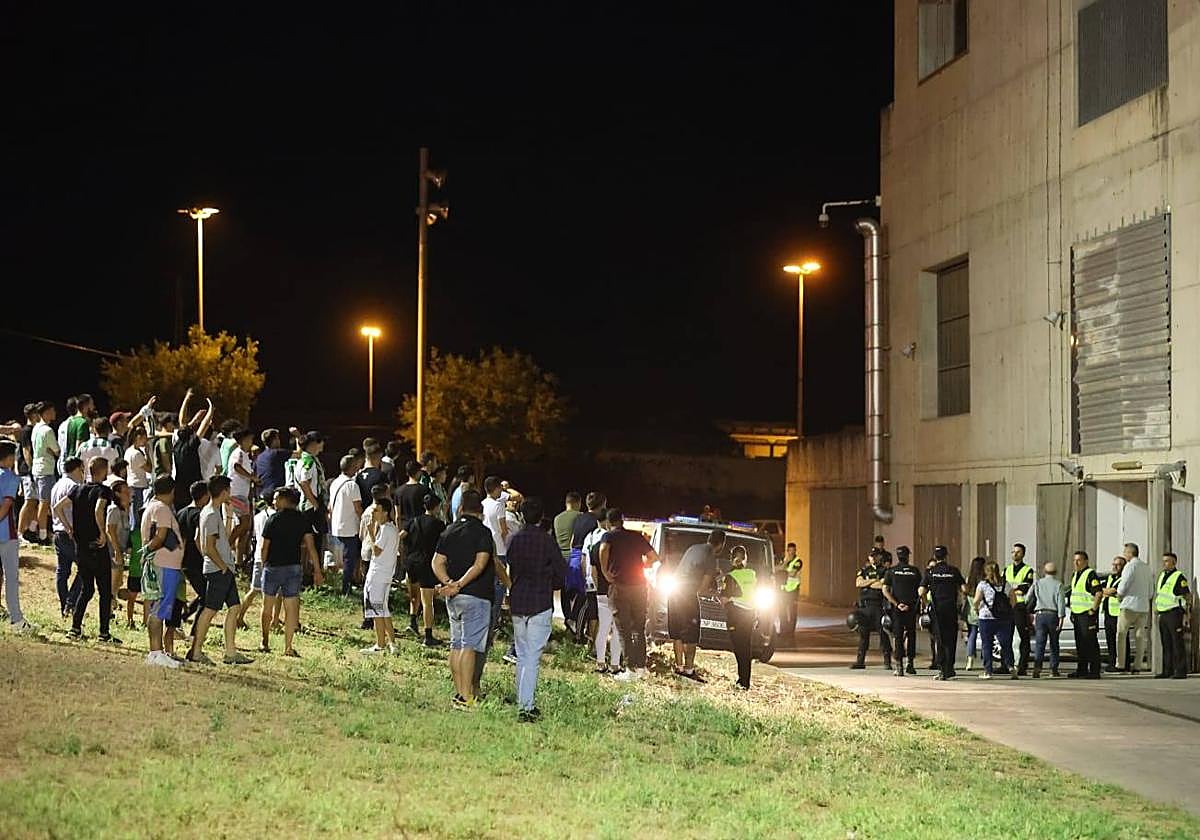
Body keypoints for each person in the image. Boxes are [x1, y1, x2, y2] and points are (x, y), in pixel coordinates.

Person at [432, 489, 508, 706]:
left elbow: (437, 562)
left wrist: (448, 582)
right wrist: (460, 584)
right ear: (481, 510)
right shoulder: (483, 533)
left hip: (453, 598)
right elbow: (481, 563)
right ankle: (467, 697)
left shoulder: (449, 530)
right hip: (477, 595)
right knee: (469, 646)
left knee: (456, 644)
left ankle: (459, 692)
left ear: (460, 508)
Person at [506, 497, 565, 721]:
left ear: (522, 515)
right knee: (532, 656)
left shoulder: (514, 539)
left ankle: (523, 699)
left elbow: (511, 566)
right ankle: (526, 707)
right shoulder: (547, 541)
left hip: (519, 600)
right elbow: (561, 572)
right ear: (541, 517)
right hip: (540, 601)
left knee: (522, 654)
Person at [188, 476, 252, 665]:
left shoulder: (214, 512)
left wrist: (229, 516)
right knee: (210, 610)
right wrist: (220, 565)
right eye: (229, 490)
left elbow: (204, 540)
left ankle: (231, 652)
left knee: (234, 607)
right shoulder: (210, 514)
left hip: (222, 568)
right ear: (223, 492)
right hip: (219, 569)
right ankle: (196, 651)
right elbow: (208, 546)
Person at [60, 457, 119, 643]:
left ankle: (75, 628)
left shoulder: (78, 489)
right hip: (97, 545)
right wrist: (102, 532)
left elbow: (58, 507)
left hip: (81, 547)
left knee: (86, 589)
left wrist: (68, 528)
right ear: (103, 470)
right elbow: (98, 510)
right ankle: (104, 633)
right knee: (104, 591)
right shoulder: (103, 491)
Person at [598, 508, 659, 682]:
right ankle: (641, 667)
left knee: (623, 628)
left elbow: (603, 550)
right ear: (622, 520)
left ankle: (630, 669)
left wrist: (605, 572)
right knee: (639, 627)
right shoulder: (636, 536)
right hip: (639, 587)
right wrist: (644, 565)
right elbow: (653, 556)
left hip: (620, 586)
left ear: (608, 522)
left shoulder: (608, 536)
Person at [260, 488, 317, 658]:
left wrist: (263, 564)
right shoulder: (302, 519)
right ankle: (288, 646)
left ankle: (264, 640)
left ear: (285, 500)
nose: (274, 502)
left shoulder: (273, 519)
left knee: (267, 606)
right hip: (293, 567)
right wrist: (317, 569)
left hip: (273, 566)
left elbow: (264, 547)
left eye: (276, 499)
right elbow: (310, 546)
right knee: (291, 608)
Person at [141, 476, 184, 668]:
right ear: (172, 491)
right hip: (164, 565)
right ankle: (156, 652)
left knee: (158, 607)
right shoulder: (162, 509)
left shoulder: (152, 507)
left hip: (163, 564)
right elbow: (161, 535)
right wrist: (147, 551)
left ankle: (157, 652)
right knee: (159, 609)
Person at [670, 529, 724, 680]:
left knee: (677, 632)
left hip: (674, 593)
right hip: (687, 596)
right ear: (721, 545)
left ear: (709, 538)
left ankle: (679, 667)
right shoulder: (710, 556)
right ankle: (689, 670)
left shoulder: (693, 548)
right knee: (691, 634)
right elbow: (702, 589)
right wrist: (717, 595)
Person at [400, 493, 447, 647]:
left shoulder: (413, 521)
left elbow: (401, 535)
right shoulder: (439, 525)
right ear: (436, 507)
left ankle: (412, 622)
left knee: (414, 596)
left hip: (412, 562)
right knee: (427, 602)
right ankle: (428, 635)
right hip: (427, 564)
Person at [919, 546, 966, 681]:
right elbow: (964, 589)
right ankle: (950, 668)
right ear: (946, 556)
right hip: (951, 609)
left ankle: (942, 669)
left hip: (937, 609)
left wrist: (926, 603)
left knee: (939, 639)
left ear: (935, 556)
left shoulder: (930, 572)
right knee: (951, 638)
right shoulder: (954, 571)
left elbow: (921, 591)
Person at [584, 509, 621, 672]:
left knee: (603, 628)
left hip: (601, 592)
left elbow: (593, 572)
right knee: (617, 629)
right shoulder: (620, 547)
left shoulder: (595, 547)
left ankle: (600, 662)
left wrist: (599, 588)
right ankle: (615, 664)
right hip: (618, 592)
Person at [362, 497, 400, 654]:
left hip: (379, 574)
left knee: (377, 609)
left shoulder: (386, 530)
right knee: (382, 609)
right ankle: (392, 643)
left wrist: (371, 532)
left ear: (385, 512)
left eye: (376, 511)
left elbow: (376, 551)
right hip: (382, 573)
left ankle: (380, 643)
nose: (373, 514)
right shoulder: (390, 528)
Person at [0, 441, 31, 631]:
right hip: (6, 534)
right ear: (10, 457)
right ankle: (16, 619)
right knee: (11, 577)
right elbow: (6, 507)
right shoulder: (11, 478)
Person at [720, 545, 759, 690]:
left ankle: (742, 681)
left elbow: (724, 599)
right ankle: (745, 681)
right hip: (750, 615)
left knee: (738, 648)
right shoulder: (752, 574)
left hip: (736, 614)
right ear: (745, 559)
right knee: (746, 648)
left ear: (731, 559)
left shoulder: (730, 576)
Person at [49, 457, 83, 615]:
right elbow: (59, 508)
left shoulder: (57, 485)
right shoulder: (73, 486)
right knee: (85, 568)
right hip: (69, 533)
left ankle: (65, 605)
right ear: (77, 468)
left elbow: (54, 508)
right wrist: (69, 527)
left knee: (62, 572)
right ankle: (70, 603)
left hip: (57, 532)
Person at [973, 560, 1016, 680]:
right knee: (1006, 644)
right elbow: (1013, 601)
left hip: (986, 618)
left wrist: (977, 609)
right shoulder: (1006, 584)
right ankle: (1011, 666)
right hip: (1004, 619)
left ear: (986, 571)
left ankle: (988, 671)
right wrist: (1007, 611)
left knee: (987, 644)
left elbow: (976, 601)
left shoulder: (983, 585)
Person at [328, 455, 364, 597]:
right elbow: (357, 507)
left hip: (336, 524)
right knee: (349, 559)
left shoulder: (335, 482)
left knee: (339, 559)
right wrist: (364, 522)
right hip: (349, 526)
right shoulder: (352, 485)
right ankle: (346, 588)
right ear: (352, 467)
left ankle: (339, 585)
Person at [882, 545, 921, 676]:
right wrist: (915, 604)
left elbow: (885, 590)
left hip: (897, 609)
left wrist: (896, 603)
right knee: (911, 635)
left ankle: (899, 667)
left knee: (898, 636)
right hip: (911, 608)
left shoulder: (891, 571)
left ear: (898, 557)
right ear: (908, 556)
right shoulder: (914, 571)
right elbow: (920, 589)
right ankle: (910, 663)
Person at [176, 481, 210, 628]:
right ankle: (196, 629)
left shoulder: (181, 513)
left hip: (182, 560)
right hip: (195, 561)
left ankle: (185, 615)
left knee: (204, 593)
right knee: (207, 595)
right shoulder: (200, 515)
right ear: (205, 496)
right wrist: (205, 555)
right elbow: (198, 538)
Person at [1115, 542, 1152, 674]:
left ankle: (1121, 664)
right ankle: (1137, 666)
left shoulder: (1130, 566)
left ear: (1130, 553)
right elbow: (1151, 589)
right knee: (1140, 637)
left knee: (1121, 634)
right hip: (1143, 606)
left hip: (1129, 605)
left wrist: (1119, 595)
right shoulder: (1146, 567)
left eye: (1125, 552)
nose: (1124, 554)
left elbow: (1124, 584)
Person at [852, 548, 892, 670]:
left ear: (879, 557)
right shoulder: (865, 570)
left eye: (875, 556)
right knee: (863, 635)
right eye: (871, 556)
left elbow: (882, 585)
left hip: (878, 606)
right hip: (865, 607)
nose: (873, 558)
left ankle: (887, 661)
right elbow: (858, 583)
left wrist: (867, 583)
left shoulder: (884, 570)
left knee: (883, 634)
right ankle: (860, 661)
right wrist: (874, 580)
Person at [1067, 550, 1104, 679]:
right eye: (1074, 560)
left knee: (1090, 643)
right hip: (1077, 614)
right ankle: (1081, 669)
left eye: (1079, 560)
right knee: (1080, 643)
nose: (1076, 563)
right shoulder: (1075, 575)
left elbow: (1098, 593)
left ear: (1086, 561)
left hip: (1087, 615)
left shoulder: (1090, 574)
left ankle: (1094, 671)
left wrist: (1093, 610)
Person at [1026, 561, 1064, 678]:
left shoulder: (1037, 583)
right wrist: (1061, 619)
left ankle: (1037, 669)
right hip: (1053, 615)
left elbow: (1028, 598)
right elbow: (1061, 603)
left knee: (1040, 643)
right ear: (1056, 572)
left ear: (1044, 571)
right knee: (1054, 644)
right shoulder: (1058, 585)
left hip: (1040, 615)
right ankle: (1053, 669)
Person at [1155, 552, 1190, 680]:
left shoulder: (1179, 577)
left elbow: (1187, 595)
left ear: (1174, 563)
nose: (1164, 563)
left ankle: (1180, 670)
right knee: (1166, 643)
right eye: (1163, 561)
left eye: (1167, 561)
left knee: (1177, 643)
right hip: (1163, 613)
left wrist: (1187, 614)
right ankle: (1167, 670)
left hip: (1174, 613)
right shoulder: (1162, 576)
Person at [30, 401, 59, 545]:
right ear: (46, 413)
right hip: (46, 469)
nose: (54, 413)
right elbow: (57, 450)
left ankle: (32, 528)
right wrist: (53, 452)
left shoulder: (36, 428)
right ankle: (42, 535)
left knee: (41, 502)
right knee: (44, 503)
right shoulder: (48, 430)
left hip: (36, 468)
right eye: (52, 411)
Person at [1004, 543, 1034, 675]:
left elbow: (1025, 588)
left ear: (1023, 554)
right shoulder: (1007, 569)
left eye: (1018, 552)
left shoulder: (1028, 570)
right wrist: (1015, 589)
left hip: (1020, 606)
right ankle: (1006, 665)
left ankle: (1022, 666)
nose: (1015, 554)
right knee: (1005, 636)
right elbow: (1001, 585)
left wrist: (1011, 589)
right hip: (1007, 606)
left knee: (1023, 636)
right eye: (1013, 552)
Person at [105, 479, 132, 621]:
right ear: (117, 494)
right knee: (113, 582)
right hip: (113, 550)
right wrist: (116, 550)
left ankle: (111, 607)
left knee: (118, 581)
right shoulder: (114, 509)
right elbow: (110, 530)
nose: (129, 494)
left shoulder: (126, 510)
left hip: (121, 550)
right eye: (125, 491)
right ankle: (108, 610)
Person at [1101, 555, 1127, 672]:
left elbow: (1112, 591)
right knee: (1110, 641)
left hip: (1119, 614)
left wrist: (1105, 591)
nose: (1115, 567)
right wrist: (1105, 591)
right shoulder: (1110, 577)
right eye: (1114, 564)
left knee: (1120, 640)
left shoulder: (1123, 578)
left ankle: (1123, 664)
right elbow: (1103, 590)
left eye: (1118, 565)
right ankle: (1112, 663)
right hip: (1109, 613)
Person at [124, 425, 152, 526]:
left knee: (133, 514)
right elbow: (149, 468)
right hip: (138, 486)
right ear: (139, 437)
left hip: (131, 484)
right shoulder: (137, 454)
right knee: (138, 514)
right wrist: (147, 453)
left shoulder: (128, 451)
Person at [962, 556, 985, 671]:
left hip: (970, 611)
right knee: (985, 636)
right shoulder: (984, 581)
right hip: (983, 611)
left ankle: (970, 660)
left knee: (972, 635)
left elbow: (964, 595)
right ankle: (985, 660)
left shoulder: (968, 579)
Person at [779, 542, 802, 639]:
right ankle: (783, 630)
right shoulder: (784, 560)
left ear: (795, 551)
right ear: (787, 551)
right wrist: (785, 564)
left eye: (793, 550)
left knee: (792, 611)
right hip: (784, 589)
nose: (791, 552)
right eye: (790, 550)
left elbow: (792, 573)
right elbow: (778, 569)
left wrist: (783, 571)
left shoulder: (798, 561)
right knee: (782, 610)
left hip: (793, 590)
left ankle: (790, 631)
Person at [553, 492, 582, 560]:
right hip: (574, 556)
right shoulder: (580, 516)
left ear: (566, 503)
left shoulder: (557, 518)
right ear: (578, 503)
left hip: (559, 556)